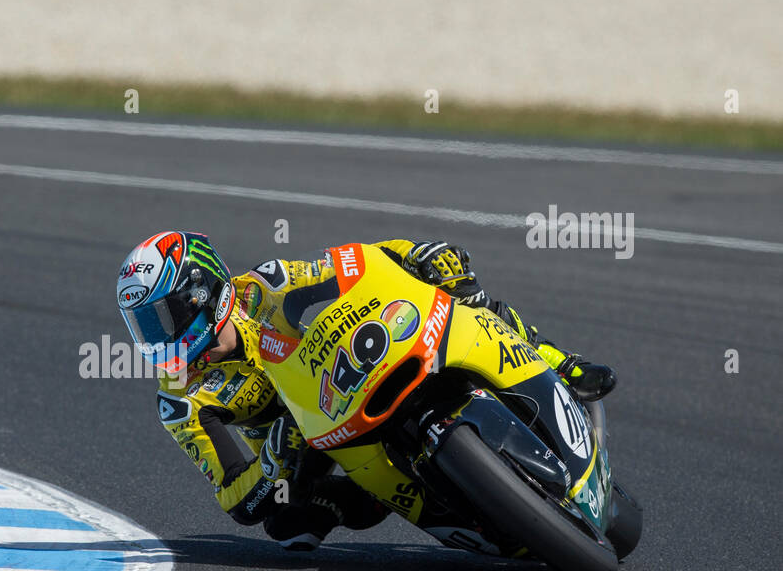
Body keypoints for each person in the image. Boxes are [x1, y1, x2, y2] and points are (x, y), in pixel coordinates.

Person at [115, 230, 617, 551]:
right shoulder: (181, 399)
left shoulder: (263, 287)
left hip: (352, 370)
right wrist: (269, 467)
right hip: (304, 442)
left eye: (161, 319)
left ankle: (557, 360)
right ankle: (376, 497)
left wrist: (419, 255)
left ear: (201, 293)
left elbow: (355, 264)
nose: (155, 337)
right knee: (288, 524)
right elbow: (236, 499)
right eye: (142, 326)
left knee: (460, 294)